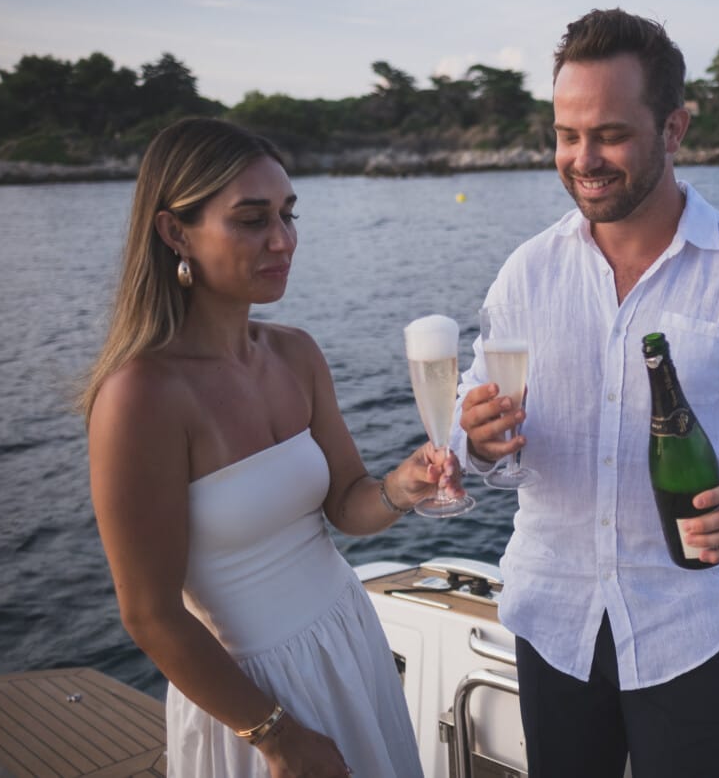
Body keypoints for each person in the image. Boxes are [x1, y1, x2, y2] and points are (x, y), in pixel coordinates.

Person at [456, 8, 719, 777]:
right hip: (552, 621)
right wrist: (476, 437)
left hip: (688, 629)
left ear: (675, 129)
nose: (583, 158)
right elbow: (480, 423)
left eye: (609, 134)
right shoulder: (525, 275)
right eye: (567, 135)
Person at [81, 117, 457, 778]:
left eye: (287, 213)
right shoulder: (140, 396)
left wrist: (404, 484)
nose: (282, 239)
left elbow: (346, 503)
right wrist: (275, 734)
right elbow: (149, 612)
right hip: (249, 697)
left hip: (348, 639)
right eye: (251, 219)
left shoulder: (296, 352)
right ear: (175, 232)